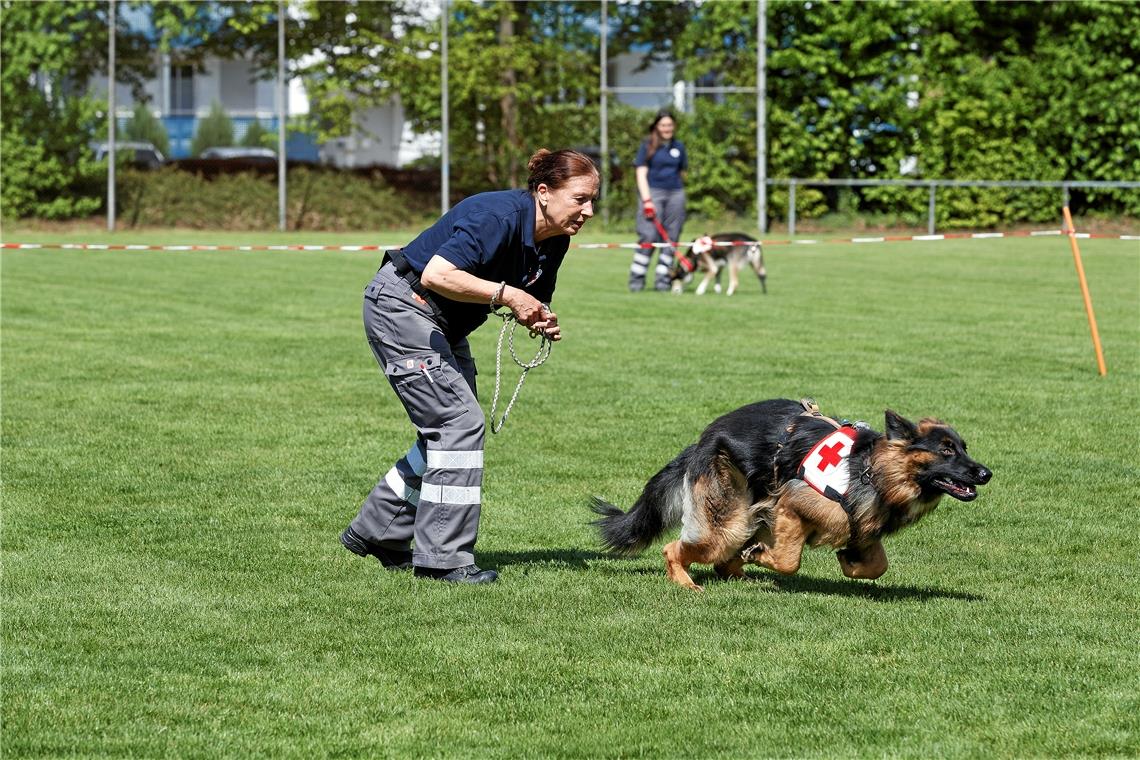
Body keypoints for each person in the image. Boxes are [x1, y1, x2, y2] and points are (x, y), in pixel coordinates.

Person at [341, 149, 600, 584]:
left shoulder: (555, 240)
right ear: (543, 192)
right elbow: (437, 274)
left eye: (593, 200)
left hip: (444, 322)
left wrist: (538, 315)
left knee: (448, 434)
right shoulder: (496, 216)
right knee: (459, 423)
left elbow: (533, 294)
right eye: (579, 199)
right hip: (403, 306)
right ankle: (442, 560)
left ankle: (379, 532)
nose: (588, 210)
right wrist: (509, 295)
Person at [629, 110, 688, 292]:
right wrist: (647, 200)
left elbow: (682, 172)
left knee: (671, 238)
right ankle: (637, 281)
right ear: (656, 127)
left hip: (676, 193)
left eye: (670, 125)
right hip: (653, 193)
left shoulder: (679, 147)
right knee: (649, 236)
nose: (667, 128)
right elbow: (640, 172)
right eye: (663, 125)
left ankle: (663, 281)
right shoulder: (647, 146)